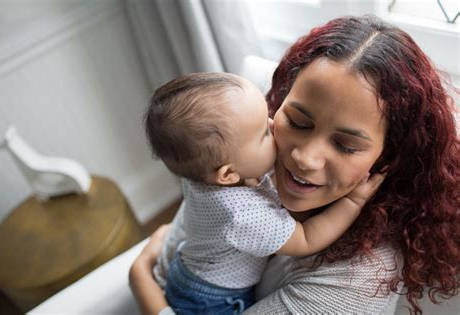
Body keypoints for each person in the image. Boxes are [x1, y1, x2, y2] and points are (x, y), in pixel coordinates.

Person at [130, 15, 459, 314]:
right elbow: (174, 248)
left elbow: (157, 261)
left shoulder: (354, 286)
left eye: (345, 145)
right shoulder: (239, 153)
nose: (304, 157)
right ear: (279, 102)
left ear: (388, 157)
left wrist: (140, 280)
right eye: (299, 122)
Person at [144, 72, 384, 314]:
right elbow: (306, 239)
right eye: (264, 134)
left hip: (185, 270)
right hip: (211, 302)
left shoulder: (201, 174)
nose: (272, 125)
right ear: (227, 174)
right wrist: (354, 200)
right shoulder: (244, 215)